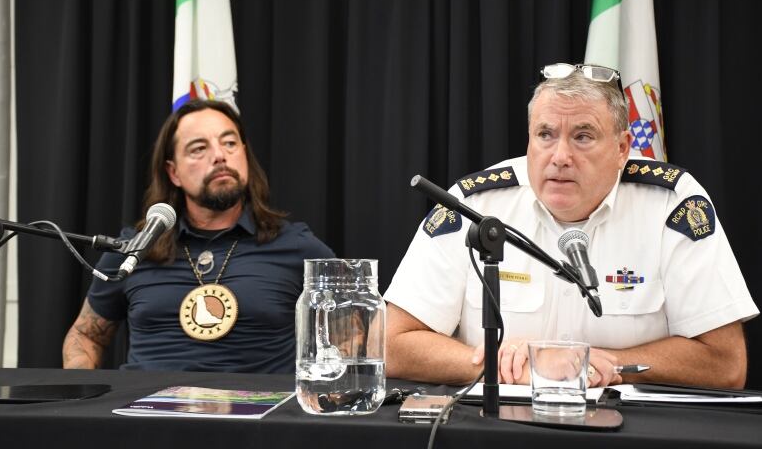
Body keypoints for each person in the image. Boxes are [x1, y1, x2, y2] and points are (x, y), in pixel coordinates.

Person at [384, 63, 759, 389]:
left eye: (583, 136)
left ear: (622, 148)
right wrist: (509, 366)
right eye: (545, 135)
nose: (560, 157)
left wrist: (602, 364)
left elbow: (726, 364)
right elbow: (391, 342)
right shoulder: (476, 204)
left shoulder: (670, 205)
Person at [62, 99, 334, 372]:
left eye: (229, 143)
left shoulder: (297, 248)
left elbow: (352, 333)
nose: (219, 156)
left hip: (260, 411)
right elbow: (86, 336)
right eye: (199, 148)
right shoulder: (133, 250)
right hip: (146, 412)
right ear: (174, 172)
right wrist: (79, 395)